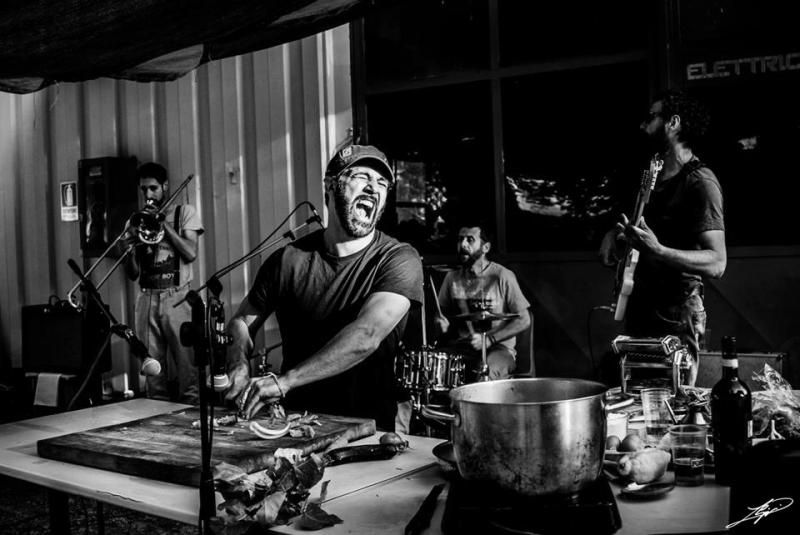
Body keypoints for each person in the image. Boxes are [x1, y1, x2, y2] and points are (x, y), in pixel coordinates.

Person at [225, 145, 423, 431]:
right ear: (331, 185)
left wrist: (285, 382)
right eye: (362, 176)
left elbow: (366, 335)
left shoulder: (398, 258)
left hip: (365, 430)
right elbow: (242, 322)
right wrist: (238, 364)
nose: (373, 188)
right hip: (297, 424)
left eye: (382, 183)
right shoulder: (288, 259)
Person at [598, 90, 726, 386]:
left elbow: (718, 263)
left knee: (672, 400)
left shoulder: (700, 182)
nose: (643, 125)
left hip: (676, 312)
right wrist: (615, 234)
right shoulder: (651, 176)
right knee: (632, 397)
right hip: (642, 305)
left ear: (674, 123)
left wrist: (659, 250)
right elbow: (642, 229)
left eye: (651, 117)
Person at [121, 162, 204, 403]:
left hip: (177, 297)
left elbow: (190, 253)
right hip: (147, 298)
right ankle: (156, 416)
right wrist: (128, 251)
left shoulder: (184, 212)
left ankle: (191, 419)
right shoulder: (135, 221)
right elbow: (133, 274)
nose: (148, 194)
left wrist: (163, 224)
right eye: (144, 189)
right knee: (152, 371)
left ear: (165, 186)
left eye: (153, 188)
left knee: (188, 368)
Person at [433, 224, 531, 380]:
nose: (463, 244)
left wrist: (490, 339)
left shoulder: (502, 276)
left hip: (498, 349)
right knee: (433, 366)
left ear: (486, 247)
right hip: (462, 347)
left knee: (485, 370)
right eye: (460, 239)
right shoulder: (452, 277)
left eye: (470, 240)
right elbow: (441, 315)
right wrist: (441, 323)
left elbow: (524, 320)